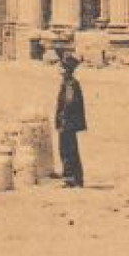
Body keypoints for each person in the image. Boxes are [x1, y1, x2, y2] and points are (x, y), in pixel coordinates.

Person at [55, 52, 88, 187]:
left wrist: (62, 120)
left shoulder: (70, 84)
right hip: (69, 123)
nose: (59, 69)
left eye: (62, 67)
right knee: (71, 149)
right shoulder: (69, 82)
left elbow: (68, 103)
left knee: (67, 150)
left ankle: (71, 178)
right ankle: (75, 177)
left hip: (67, 123)